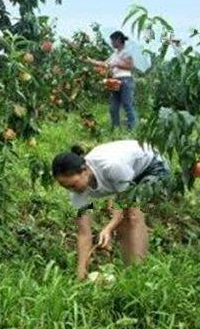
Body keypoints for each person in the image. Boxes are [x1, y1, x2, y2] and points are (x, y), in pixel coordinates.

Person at [51, 141, 169, 279]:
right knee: (123, 221)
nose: (72, 190)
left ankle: (138, 274)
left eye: (74, 184)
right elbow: (84, 232)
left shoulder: (111, 167)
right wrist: (81, 270)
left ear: (85, 170)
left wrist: (108, 229)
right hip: (127, 174)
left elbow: (123, 204)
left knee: (132, 215)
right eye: (66, 187)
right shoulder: (76, 193)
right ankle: (129, 269)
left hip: (152, 166)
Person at [93, 31, 136, 130]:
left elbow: (130, 66)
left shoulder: (126, 52)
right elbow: (105, 64)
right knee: (113, 106)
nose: (111, 43)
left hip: (125, 80)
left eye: (112, 41)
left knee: (127, 104)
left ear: (118, 40)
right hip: (115, 81)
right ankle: (115, 127)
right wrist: (90, 60)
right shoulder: (115, 54)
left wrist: (117, 64)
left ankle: (132, 128)